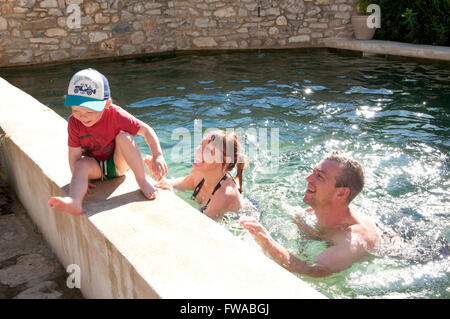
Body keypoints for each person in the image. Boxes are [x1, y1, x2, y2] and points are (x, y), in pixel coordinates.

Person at [239, 151, 380, 277]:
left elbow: (313, 272)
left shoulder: (352, 241)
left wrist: (270, 244)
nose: (308, 178)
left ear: (341, 193)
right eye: (313, 172)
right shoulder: (308, 215)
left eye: (319, 176)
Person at [48, 68, 167, 216]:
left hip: (118, 164)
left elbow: (146, 130)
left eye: (89, 112)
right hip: (95, 167)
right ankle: (75, 202)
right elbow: (74, 154)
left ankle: (141, 180)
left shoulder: (116, 115)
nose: (83, 117)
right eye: (76, 110)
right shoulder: (74, 122)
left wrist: (157, 155)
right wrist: (79, 178)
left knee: (124, 137)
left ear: (106, 104)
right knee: (81, 164)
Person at [149, 130, 246, 220]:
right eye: (201, 145)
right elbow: (173, 185)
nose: (197, 150)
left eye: (207, 149)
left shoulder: (226, 195)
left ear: (224, 161)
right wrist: (157, 175)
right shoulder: (199, 174)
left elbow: (198, 225)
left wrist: (173, 198)